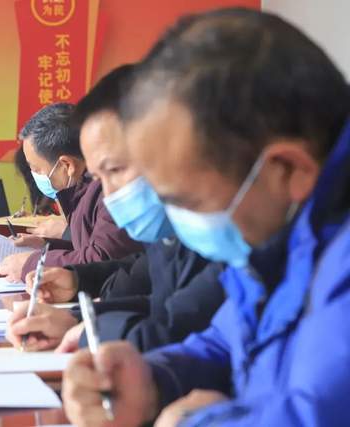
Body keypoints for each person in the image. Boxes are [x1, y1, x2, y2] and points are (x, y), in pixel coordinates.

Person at [63, 8, 350, 427]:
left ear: (287, 169)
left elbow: (317, 414)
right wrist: (155, 380)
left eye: (188, 202)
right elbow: (229, 340)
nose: (181, 222)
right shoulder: (278, 236)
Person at [6, 64, 224, 354]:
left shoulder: (227, 235)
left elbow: (178, 328)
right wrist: (77, 290)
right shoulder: (178, 230)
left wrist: (87, 327)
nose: (108, 194)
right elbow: (152, 292)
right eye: (98, 177)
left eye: (116, 169)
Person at [0, 103, 141, 282]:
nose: (35, 175)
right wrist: (46, 245)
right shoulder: (79, 190)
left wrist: (32, 264)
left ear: (67, 165)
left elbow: (102, 260)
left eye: (36, 169)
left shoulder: (108, 189)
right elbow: (89, 244)